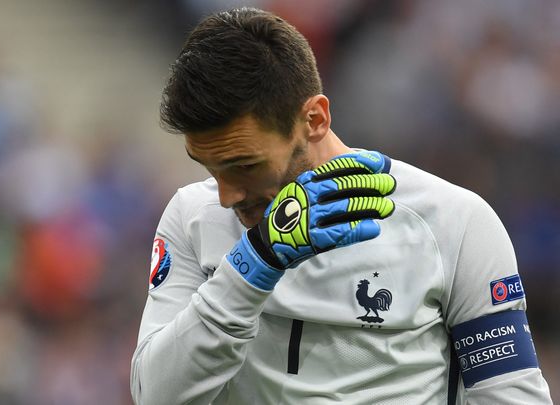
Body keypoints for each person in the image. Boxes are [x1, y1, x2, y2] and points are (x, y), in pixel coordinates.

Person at [131, 7, 552, 404]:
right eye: (208, 166)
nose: (227, 196)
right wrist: (252, 265)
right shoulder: (191, 216)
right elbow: (155, 394)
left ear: (314, 119)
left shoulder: (454, 222)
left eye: (245, 165)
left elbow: (510, 394)